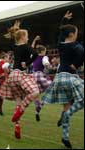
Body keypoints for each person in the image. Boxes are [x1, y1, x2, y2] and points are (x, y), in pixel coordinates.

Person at [41, 11, 84, 148]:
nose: (77, 35)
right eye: (76, 33)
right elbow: (82, 53)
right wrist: (76, 64)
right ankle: (67, 115)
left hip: (59, 78)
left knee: (66, 106)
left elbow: (60, 33)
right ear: (71, 35)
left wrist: (64, 20)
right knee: (79, 103)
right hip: (69, 77)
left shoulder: (61, 44)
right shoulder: (76, 45)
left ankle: (65, 137)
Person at [0, 20, 40, 139]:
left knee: (18, 100)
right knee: (35, 92)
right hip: (20, 74)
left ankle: (17, 125)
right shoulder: (25, 46)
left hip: (12, 77)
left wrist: (16, 29)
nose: (28, 38)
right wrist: (27, 64)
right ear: (23, 37)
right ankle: (21, 109)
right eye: (27, 36)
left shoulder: (15, 46)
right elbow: (36, 54)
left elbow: (15, 38)